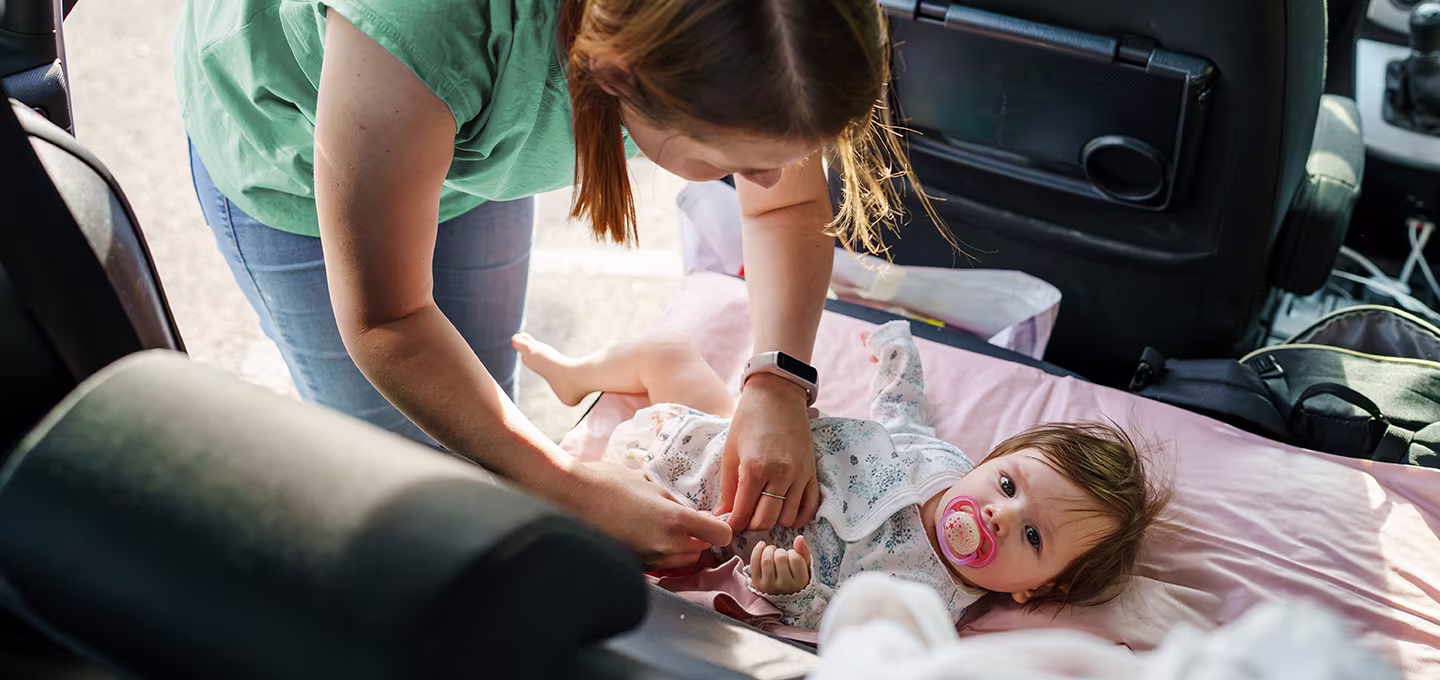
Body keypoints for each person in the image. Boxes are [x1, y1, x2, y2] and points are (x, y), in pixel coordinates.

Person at [174, 0, 926, 569]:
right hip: (291, 153)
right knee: (407, 477)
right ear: (617, 73)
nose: (767, 181)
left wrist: (778, 379)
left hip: (454, 122)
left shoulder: (770, 27)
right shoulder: (423, 24)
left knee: (480, 418)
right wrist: (568, 483)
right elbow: (387, 318)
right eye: (732, 160)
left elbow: (788, 207)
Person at [513, 321, 1171, 629]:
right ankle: (580, 376)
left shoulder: (929, 599)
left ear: (1036, 590)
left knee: (643, 540)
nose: (1001, 513)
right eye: (1008, 484)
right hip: (733, 434)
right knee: (667, 350)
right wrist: (896, 356)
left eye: (1032, 537)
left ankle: (548, 469)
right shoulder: (944, 466)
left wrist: (793, 589)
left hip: (700, 507)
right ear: (994, 462)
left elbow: (840, 617)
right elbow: (902, 414)